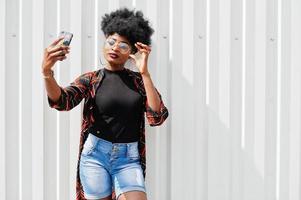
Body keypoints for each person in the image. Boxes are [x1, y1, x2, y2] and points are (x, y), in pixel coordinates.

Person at [41, 8, 169, 200]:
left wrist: (145, 72)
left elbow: (157, 117)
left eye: (123, 45)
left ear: (132, 52)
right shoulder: (91, 79)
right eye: (111, 41)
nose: (115, 48)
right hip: (95, 155)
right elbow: (62, 102)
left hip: (128, 158)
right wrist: (47, 72)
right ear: (104, 43)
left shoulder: (139, 81)